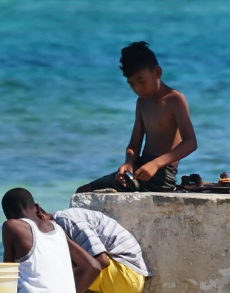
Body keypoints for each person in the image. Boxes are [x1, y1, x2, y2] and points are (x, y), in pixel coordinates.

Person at [77, 42, 197, 193]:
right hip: (139, 168)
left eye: (141, 81)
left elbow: (191, 142)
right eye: (132, 84)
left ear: (157, 72)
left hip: (161, 175)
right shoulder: (142, 102)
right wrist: (128, 163)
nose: (138, 89)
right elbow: (134, 145)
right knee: (83, 190)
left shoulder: (174, 99)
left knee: (99, 194)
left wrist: (155, 164)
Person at [0, 188, 102, 293]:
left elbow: (7, 276)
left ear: (8, 216)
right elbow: (93, 266)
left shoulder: (11, 226)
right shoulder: (57, 228)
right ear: (36, 207)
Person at [37, 205, 150, 293]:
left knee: (60, 271)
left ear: (39, 213)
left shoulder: (67, 220)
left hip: (127, 274)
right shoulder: (64, 219)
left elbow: (102, 261)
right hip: (128, 279)